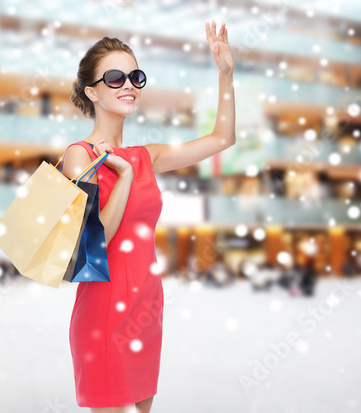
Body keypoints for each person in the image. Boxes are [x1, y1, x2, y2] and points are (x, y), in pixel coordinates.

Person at [61, 19, 235, 413]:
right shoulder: (79, 156)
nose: (128, 85)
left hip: (146, 307)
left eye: (135, 76)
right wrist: (121, 177)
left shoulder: (146, 155)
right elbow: (94, 241)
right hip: (104, 310)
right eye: (115, 77)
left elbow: (223, 139)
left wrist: (226, 76)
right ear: (92, 91)